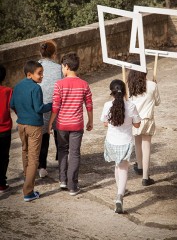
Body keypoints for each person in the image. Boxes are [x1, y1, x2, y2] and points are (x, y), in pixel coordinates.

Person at [48, 52, 93, 196]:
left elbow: (55, 107)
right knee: (74, 154)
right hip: (76, 125)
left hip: (61, 125)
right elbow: (89, 105)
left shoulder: (59, 84)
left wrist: (50, 123)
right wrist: (90, 121)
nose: (62, 69)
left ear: (67, 66)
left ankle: (62, 180)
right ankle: (73, 186)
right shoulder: (84, 84)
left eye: (62, 66)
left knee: (62, 151)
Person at [10, 61, 52, 202]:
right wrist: (52, 105)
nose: (42, 76)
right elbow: (39, 108)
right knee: (34, 158)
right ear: (29, 74)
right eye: (39, 73)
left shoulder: (17, 86)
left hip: (21, 124)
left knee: (25, 151)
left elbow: (12, 105)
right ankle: (28, 192)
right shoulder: (36, 88)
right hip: (34, 126)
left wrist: (22, 114)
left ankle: (26, 176)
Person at [100, 79, 141, 214]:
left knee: (117, 166)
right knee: (123, 169)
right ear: (125, 91)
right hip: (125, 142)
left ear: (111, 92)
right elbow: (137, 124)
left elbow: (105, 123)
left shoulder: (107, 105)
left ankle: (120, 190)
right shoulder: (131, 106)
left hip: (112, 141)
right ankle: (119, 196)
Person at [127, 68, 160, 186]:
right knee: (146, 147)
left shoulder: (130, 86)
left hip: (135, 120)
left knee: (137, 143)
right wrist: (154, 85)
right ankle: (145, 177)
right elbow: (158, 102)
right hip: (147, 119)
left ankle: (140, 166)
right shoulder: (152, 85)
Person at [38, 40, 62, 178]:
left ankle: (42, 166)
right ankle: (62, 161)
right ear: (54, 54)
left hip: (41, 106)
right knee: (59, 135)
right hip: (57, 107)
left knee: (44, 136)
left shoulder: (34, 67)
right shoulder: (59, 68)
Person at [0, 64, 13, 193]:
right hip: (4, 130)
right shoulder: (8, 91)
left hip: (5, 130)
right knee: (4, 157)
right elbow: (13, 106)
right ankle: (2, 183)